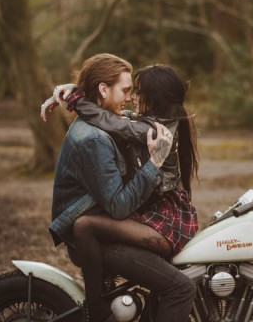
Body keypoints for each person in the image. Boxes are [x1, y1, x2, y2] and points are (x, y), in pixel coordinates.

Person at [46, 54, 196, 322]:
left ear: (156, 97)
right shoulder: (145, 122)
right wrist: (74, 95)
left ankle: (97, 309)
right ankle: (102, 306)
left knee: (84, 225)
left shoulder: (154, 130)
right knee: (84, 226)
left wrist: (75, 99)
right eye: (129, 90)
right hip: (154, 212)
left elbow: (111, 122)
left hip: (161, 216)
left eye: (137, 92)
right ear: (104, 89)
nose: (132, 97)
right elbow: (111, 119)